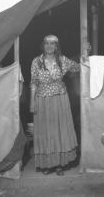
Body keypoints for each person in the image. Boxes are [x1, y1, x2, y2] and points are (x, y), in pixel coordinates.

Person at [30, 34, 79, 176]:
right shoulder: (36, 62)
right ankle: (47, 164)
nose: (50, 46)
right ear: (43, 45)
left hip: (60, 99)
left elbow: (79, 67)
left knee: (59, 131)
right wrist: (32, 103)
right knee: (45, 132)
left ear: (57, 46)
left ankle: (59, 164)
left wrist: (85, 53)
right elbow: (33, 82)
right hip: (42, 100)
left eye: (53, 44)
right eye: (47, 43)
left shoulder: (62, 60)